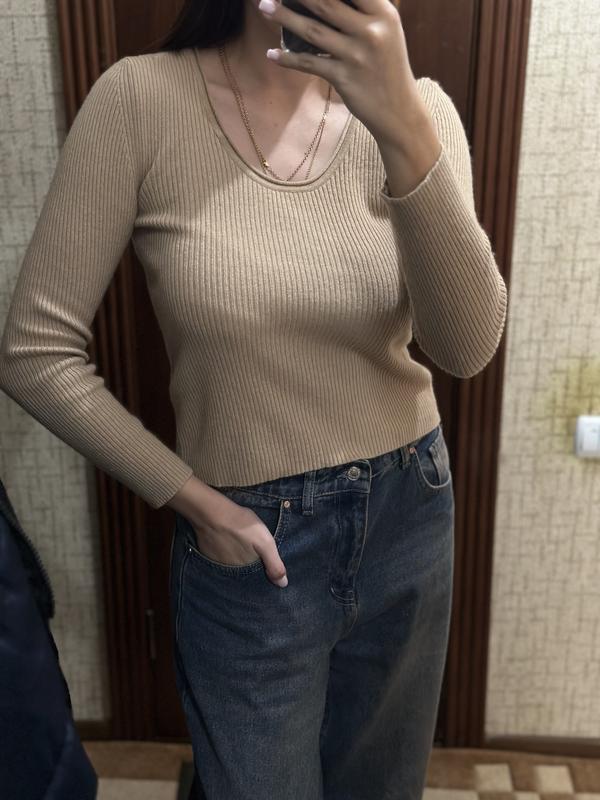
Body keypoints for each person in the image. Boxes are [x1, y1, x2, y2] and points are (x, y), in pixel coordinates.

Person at [0, 0, 508, 798]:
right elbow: (35, 352)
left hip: (410, 512)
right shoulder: (140, 100)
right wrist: (197, 503)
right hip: (253, 544)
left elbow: (467, 348)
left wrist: (404, 124)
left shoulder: (420, 108)